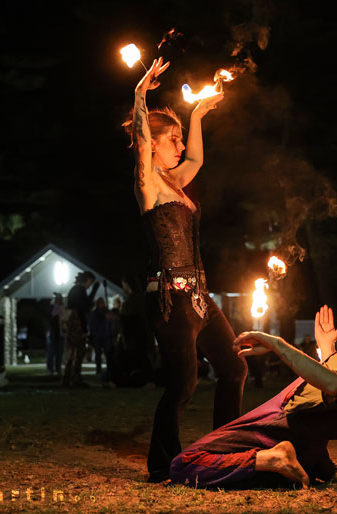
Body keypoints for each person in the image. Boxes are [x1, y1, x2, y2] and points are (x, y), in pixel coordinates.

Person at [169, 288, 337, 488]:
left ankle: (273, 459)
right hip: (305, 433)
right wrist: (327, 349)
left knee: (185, 464)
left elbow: (333, 384)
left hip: (285, 418)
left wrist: (277, 343)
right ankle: (313, 464)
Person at [125, 58, 247, 482]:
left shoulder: (177, 181)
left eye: (179, 139)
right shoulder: (148, 184)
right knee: (183, 387)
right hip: (169, 299)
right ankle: (162, 465)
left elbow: (196, 156)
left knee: (234, 368)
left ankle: (224, 448)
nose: (179, 146)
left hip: (199, 296)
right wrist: (140, 94)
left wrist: (196, 115)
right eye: (172, 139)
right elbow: (140, 139)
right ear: (153, 145)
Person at [62, 271, 100, 387]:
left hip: (72, 325)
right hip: (76, 326)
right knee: (78, 352)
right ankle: (75, 379)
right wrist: (84, 329)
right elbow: (84, 308)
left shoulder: (74, 290)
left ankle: (67, 378)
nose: (90, 285)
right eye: (91, 282)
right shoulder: (80, 290)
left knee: (73, 351)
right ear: (87, 280)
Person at [46, 293, 65, 376]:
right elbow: (52, 320)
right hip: (53, 334)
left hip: (60, 334)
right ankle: (52, 369)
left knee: (58, 353)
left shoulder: (60, 308)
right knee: (53, 352)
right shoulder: (54, 308)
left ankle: (56, 369)